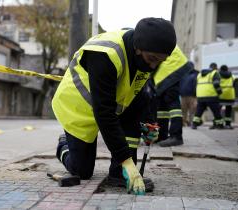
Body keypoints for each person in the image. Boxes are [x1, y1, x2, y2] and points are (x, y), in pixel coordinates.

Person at [52, 17, 177, 195]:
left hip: (112, 105)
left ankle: (118, 173)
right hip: (77, 107)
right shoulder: (104, 53)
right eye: (152, 59)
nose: (153, 66)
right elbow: (104, 114)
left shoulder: (146, 57)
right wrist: (128, 162)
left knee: (132, 114)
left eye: (159, 62)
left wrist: (149, 122)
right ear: (137, 47)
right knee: (82, 171)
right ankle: (63, 145)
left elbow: (140, 93)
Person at [150, 47, 193, 147]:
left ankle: (176, 136)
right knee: (162, 106)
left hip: (172, 69)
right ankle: (162, 136)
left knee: (172, 102)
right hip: (165, 72)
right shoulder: (151, 37)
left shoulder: (151, 39)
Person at [192, 63, 224, 129]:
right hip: (211, 96)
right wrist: (219, 92)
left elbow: (196, 85)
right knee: (216, 111)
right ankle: (220, 124)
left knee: (199, 111)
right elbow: (216, 83)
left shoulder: (200, 74)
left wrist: (196, 95)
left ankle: (194, 124)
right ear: (215, 67)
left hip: (200, 96)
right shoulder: (214, 73)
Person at [219, 65, 236, 129]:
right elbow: (234, 84)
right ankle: (228, 124)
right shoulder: (232, 76)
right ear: (227, 69)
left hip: (221, 95)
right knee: (228, 111)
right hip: (230, 96)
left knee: (218, 110)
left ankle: (219, 124)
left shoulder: (218, 75)